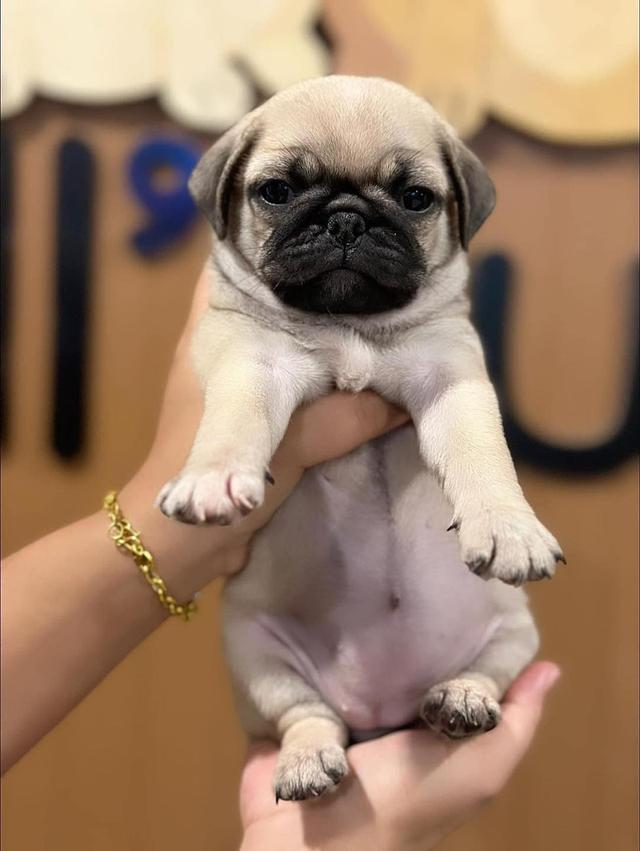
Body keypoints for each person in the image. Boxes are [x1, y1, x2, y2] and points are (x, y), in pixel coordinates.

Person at [1, 267, 560, 849]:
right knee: (260, 639)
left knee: (507, 628)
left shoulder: (434, 326)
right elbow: (255, 375)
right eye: (283, 191)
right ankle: (305, 722)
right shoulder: (253, 326)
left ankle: (477, 679)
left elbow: (459, 399)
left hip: (459, 646)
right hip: (303, 654)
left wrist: (495, 506)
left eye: (411, 197)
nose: (345, 225)